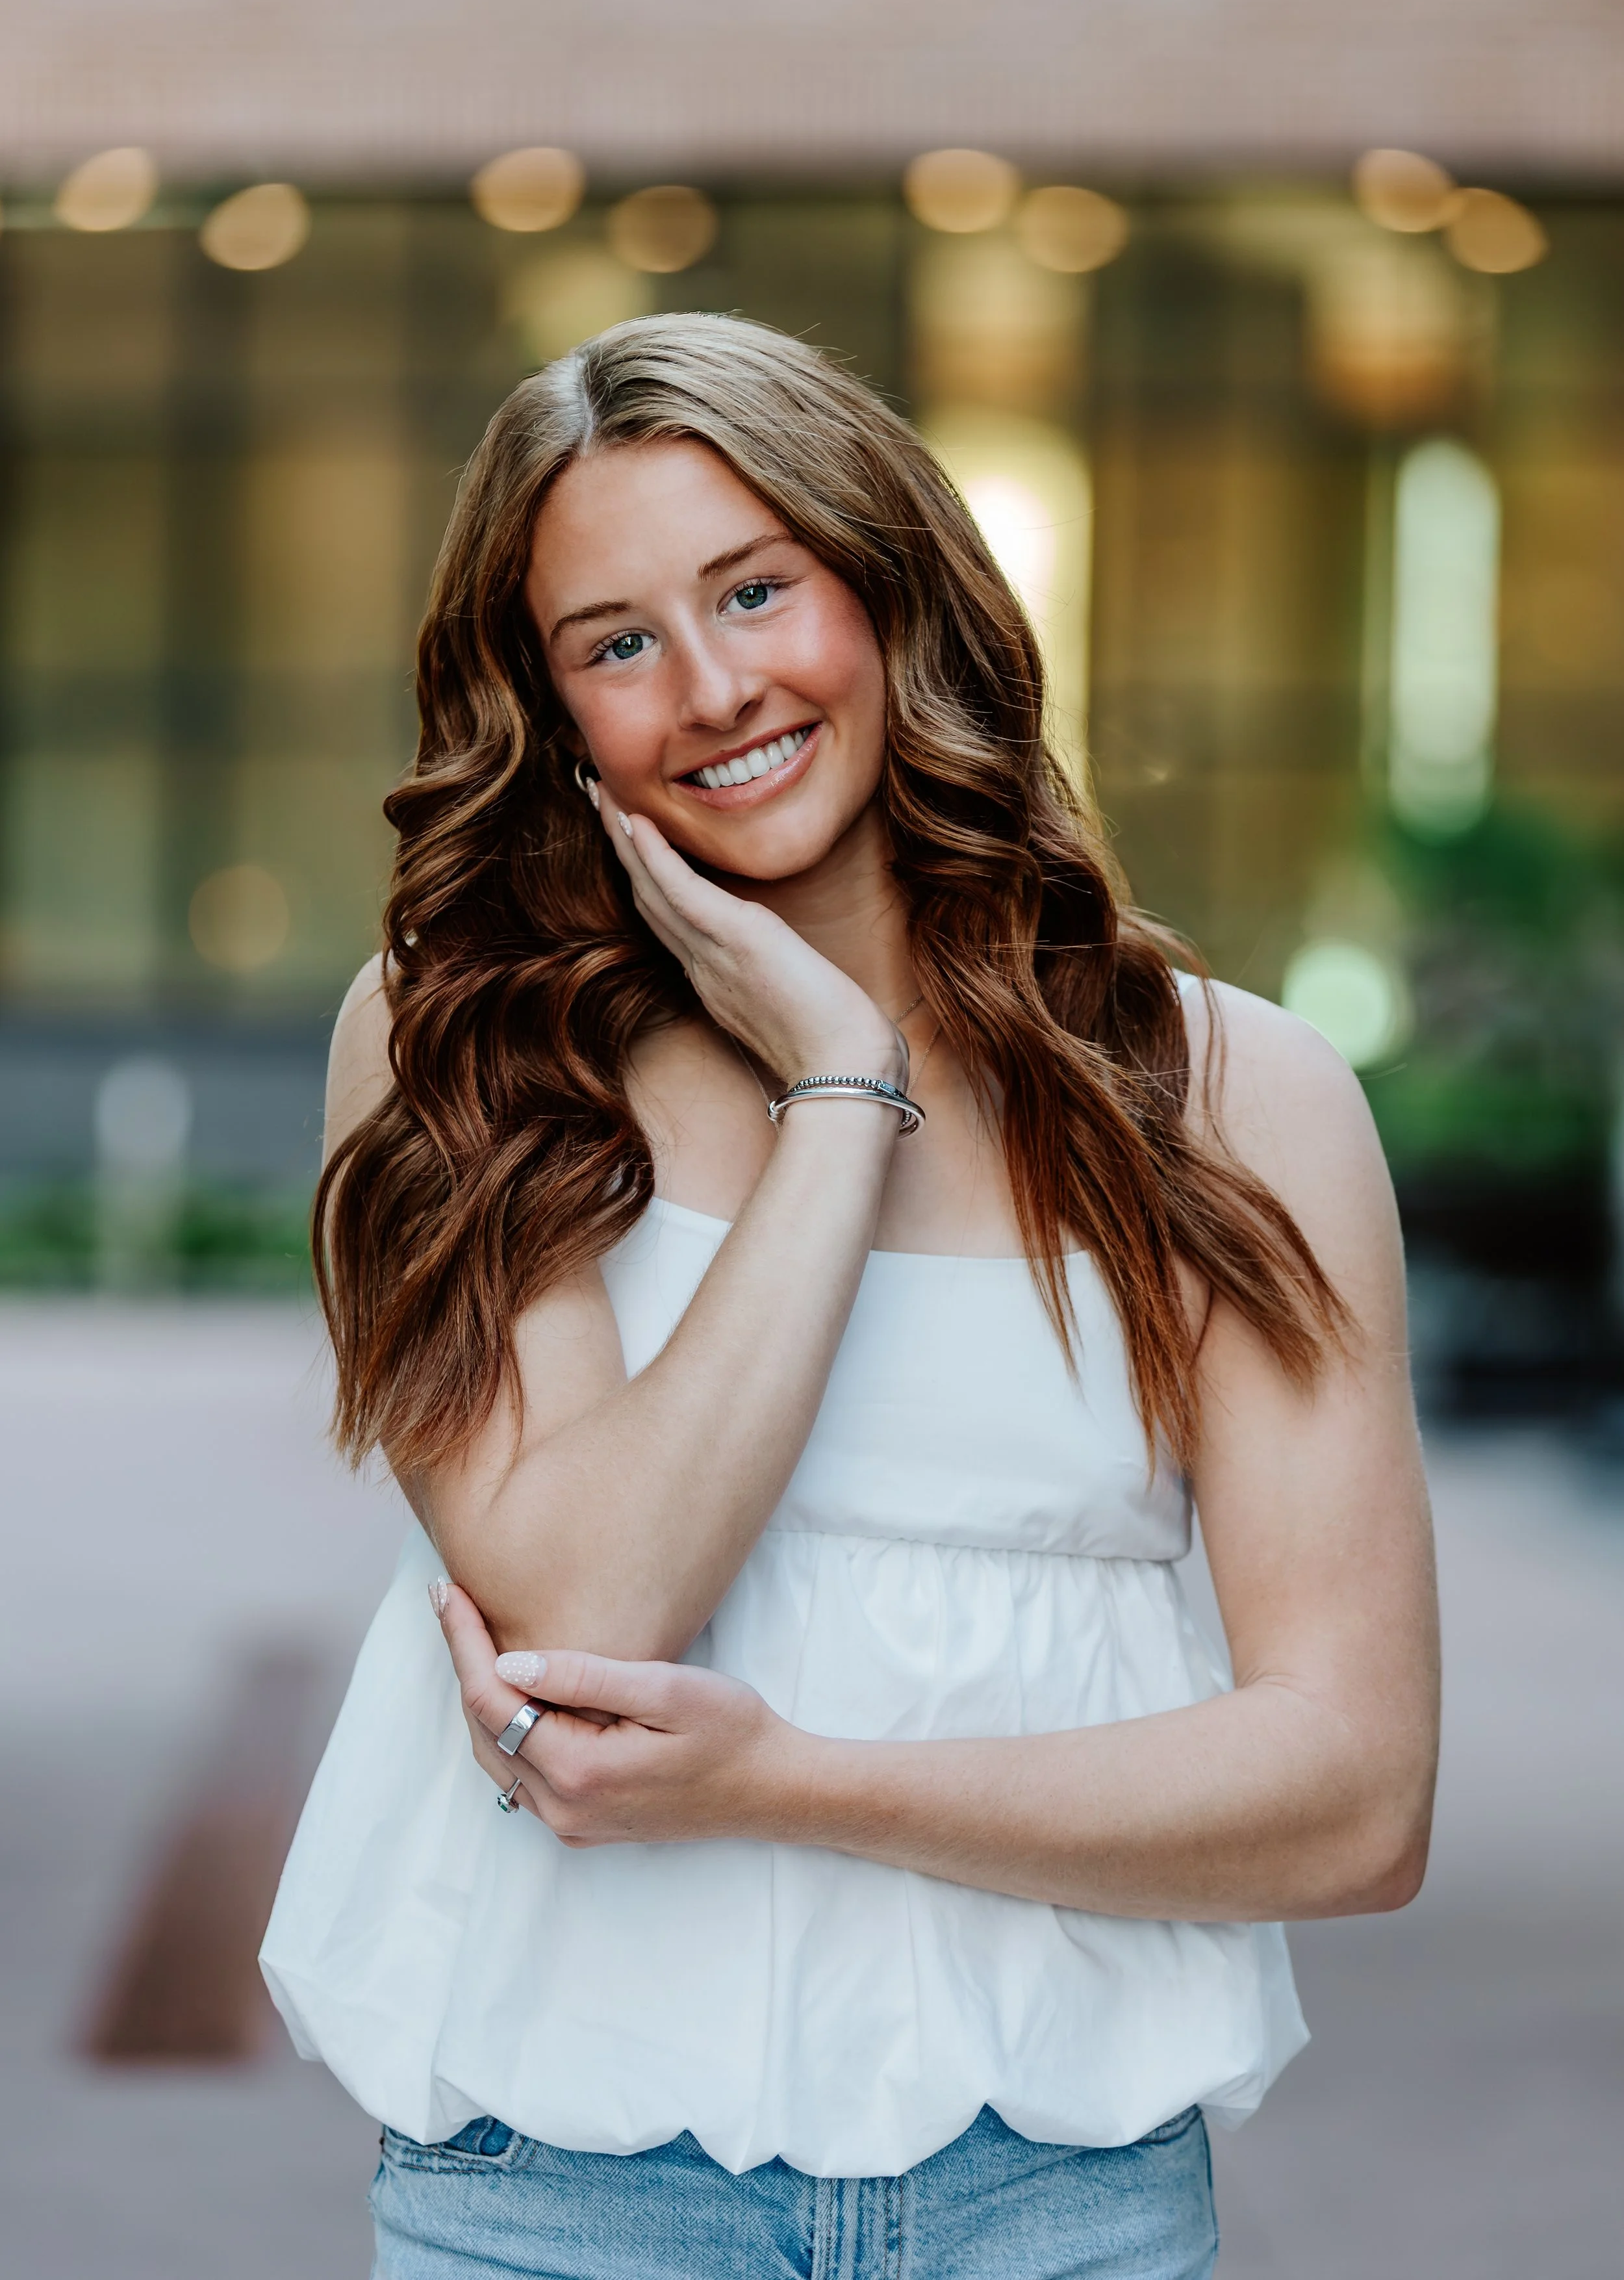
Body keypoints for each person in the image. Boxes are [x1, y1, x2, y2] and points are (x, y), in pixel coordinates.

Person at [262, 313, 1440, 2280]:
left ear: (892, 592)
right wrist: (836, 1086)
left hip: (1056, 2201)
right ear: (548, 711)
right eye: (615, 639)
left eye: (756, 588)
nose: (714, 685)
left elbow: (1352, 1792)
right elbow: (592, 1607)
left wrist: (780, 1781)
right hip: (561, 2197)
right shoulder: (450, 1051)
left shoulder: (1227, 1098)